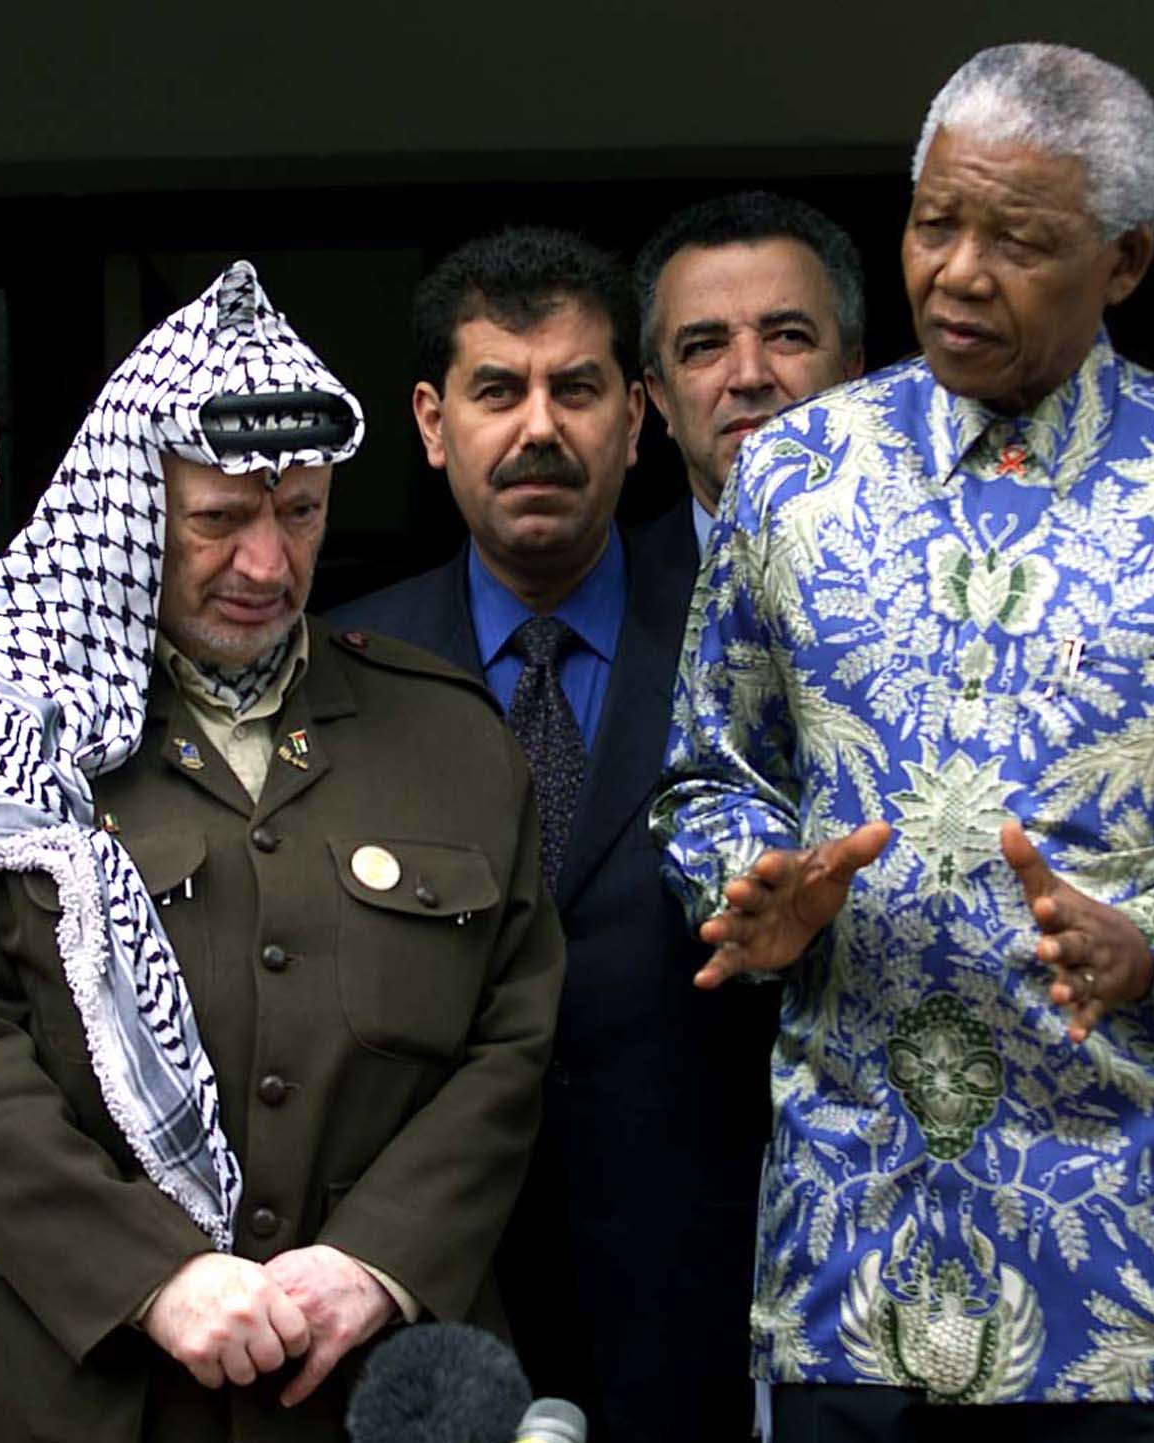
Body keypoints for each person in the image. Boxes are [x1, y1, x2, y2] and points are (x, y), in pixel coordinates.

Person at [649, 43, 1154, 1441]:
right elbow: (708, 776)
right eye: (936, 221)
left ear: (1125, 261)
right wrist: (753, 885)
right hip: (851, 1275)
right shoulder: (795, 477)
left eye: (1018, 240)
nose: (957, 273)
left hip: (1144, 1292)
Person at [0, 260, 564, 1442]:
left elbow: (511, 1033)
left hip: (368, 1382)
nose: (265, 564)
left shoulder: (448, 736)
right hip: (77, 1384)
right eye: (220, 519)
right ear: (133, 511)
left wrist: (376, 1264)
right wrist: (154, 1276)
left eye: (298, 511)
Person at [331, 227, 777, 1441]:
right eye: (496, 391)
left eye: (575, 389)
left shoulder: (738, 644)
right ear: (430, 425)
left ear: (635, 419)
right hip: (427, 1292)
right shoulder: (339, 664)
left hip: (701, 1291)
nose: (538, 428)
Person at [634, 191, 865, 554]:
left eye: (788, 336)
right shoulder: (616, 597)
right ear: (661, 397)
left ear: (850, 374)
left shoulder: (942, 577)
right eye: (705, 346)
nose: (749, 376)